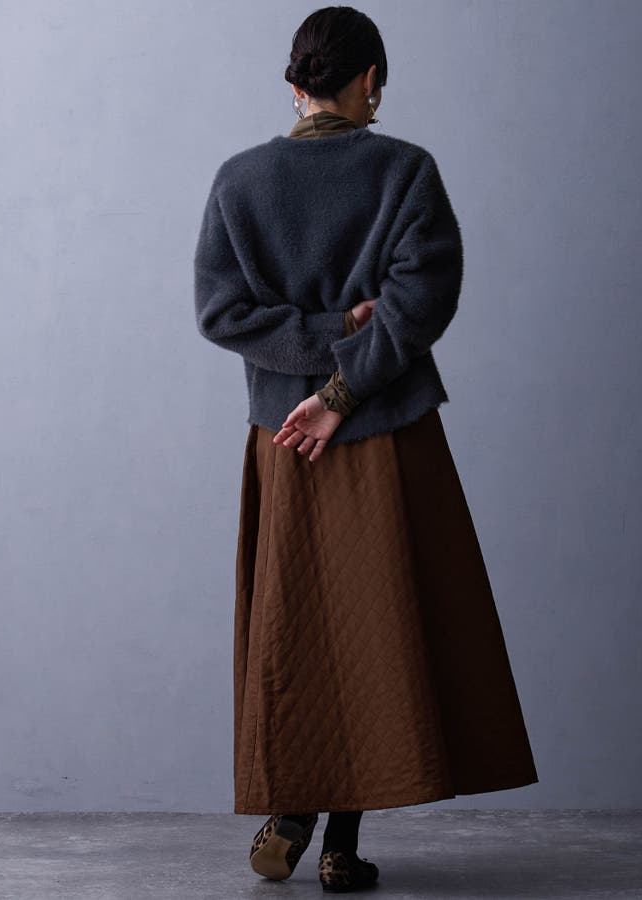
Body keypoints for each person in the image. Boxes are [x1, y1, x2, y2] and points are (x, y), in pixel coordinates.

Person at [194, 6, 538, 893]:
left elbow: (222, 314)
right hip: (386, 433)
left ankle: (293, 808)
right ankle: (341, 846)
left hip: (283, 438)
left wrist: (314, 362)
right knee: (377, 630)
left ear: (293, 84)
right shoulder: (405, 171)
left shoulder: (239, 181)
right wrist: (345, 384)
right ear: (371, 81)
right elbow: (420, 303)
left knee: (294, 630)